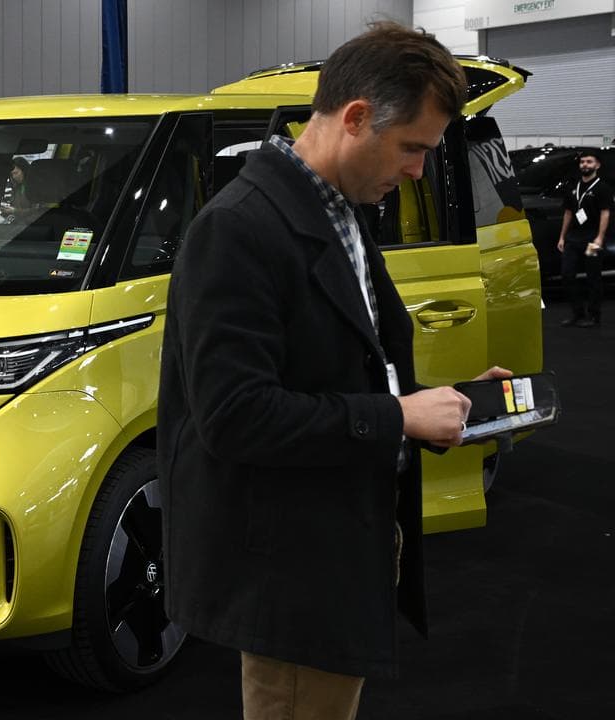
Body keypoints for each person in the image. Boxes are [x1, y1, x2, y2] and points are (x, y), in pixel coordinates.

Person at [159, 22, 510, 718]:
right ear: (355, 118)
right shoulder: (239, 229)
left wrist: (441, 404)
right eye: (412, 147)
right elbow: (234, 416)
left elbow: (343, 371)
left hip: (337, 540)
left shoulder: (340, 210)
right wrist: (398, 417)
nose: (418, 171)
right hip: (291, 565)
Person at [556, 150, 611, 327]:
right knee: (567, 274)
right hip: (573, 239)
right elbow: (568, 212)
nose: (585, 165)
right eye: (582, 162)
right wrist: (562, 237)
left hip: (592, 240)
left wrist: (600, 237)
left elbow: (605, 213)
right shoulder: (574, 186)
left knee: (593, 276)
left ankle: (594, 316)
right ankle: (578, 313)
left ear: (597, 165)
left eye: (589, 161)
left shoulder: (602, 188)